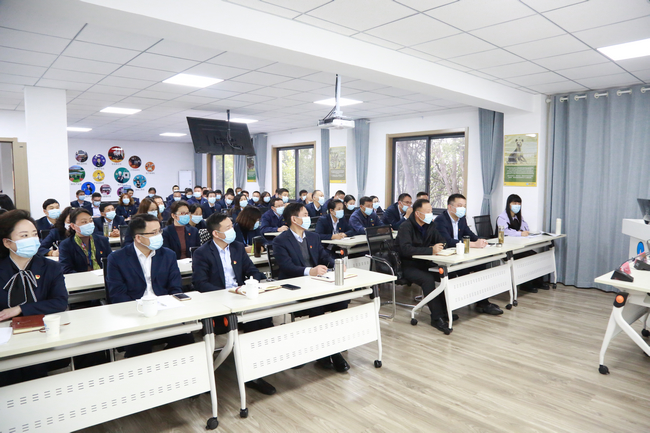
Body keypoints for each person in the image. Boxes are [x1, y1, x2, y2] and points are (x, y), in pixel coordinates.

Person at [191, 212, 276, 394]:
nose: (232, 230)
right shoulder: (202, 253)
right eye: (228, 227)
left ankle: (261, 364)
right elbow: (200, 284)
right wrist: (229, 293)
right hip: (220, 304)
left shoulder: (237, 247)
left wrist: (255, 282)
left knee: (264, 317)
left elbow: (252, 270)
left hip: (242, 298)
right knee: (253, 321)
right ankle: (251, 373)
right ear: (216, 233)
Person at [272, 203, 350, 373]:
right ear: (294, 219)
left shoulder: (313, 237)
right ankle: (331, 352)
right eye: (305, 214)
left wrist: (336, 264)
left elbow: (324, 256)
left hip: (316, 284)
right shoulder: (280, 241)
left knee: (342, 300)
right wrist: (309, 271)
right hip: (295, 286)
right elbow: (286, 267)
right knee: (317, 306)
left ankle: (331, 346)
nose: (309, 218)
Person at [106, 214, 194, 358]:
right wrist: (142, 311)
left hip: (165, 312)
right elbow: (117, 295)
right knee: (139, 348)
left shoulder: (168, 255)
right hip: (135, 314)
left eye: (159, 231)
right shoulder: (117, 258)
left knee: (187, 340)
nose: (159, 236)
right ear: (138, 237)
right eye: (153, 233)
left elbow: (175, 287)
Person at [0, 210, 68, 386]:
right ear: (7, 242)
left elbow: (60, 302)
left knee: (35, 371)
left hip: (40, 333)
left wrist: (20, 309)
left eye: (34, 234)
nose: (32, 240)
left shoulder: (50, 267)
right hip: (6, 337)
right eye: (24, 236)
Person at [434, 193, 503, 315]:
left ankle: (482, 302)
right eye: (459, 205)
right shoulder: (441, 220)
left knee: (481, 265)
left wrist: (481, 241)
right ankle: (453, 305)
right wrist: (473, 244)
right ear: (450, 207)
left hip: (460, 256)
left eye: (464, 206)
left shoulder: (462, 219)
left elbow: (469, 234)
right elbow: (447, 242)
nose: (463, 208)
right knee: (463, 271)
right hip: (446, 258)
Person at [395, 199, 452, 334]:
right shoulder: (405, 227)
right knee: (428, 280)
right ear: (417, 214)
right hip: (408, 265)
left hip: (425, 263)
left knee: (445, 275)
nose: (430, 214)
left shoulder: (430, 225)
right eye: (427, 212)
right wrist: (430, 250)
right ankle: (436, 317)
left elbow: (442, 240)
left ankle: (445, 312)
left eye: (431, 211)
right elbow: (406, 250)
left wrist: (440, 246)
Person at [496, 194, 545, 293]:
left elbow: (526, 227)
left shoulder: (518, 217)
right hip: (507, 248)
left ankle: (537, 282)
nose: (517, 205)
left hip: (517, 246)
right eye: (514, 203)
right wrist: (519, 233)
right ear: (509, 204)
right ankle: (525, 284)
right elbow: (505, 231)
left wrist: (521, 231)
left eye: (519, 203)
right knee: (526, 257)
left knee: (534, 256)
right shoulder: (502, 218)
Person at [58, 208, 111, 274]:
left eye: (91, 221)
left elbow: (111, 262)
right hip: (79, 278)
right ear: (73, 226)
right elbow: (66, 269)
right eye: (84, 222)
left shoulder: (103, 240)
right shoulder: (66, 245)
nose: (89, 224)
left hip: (102, 277)